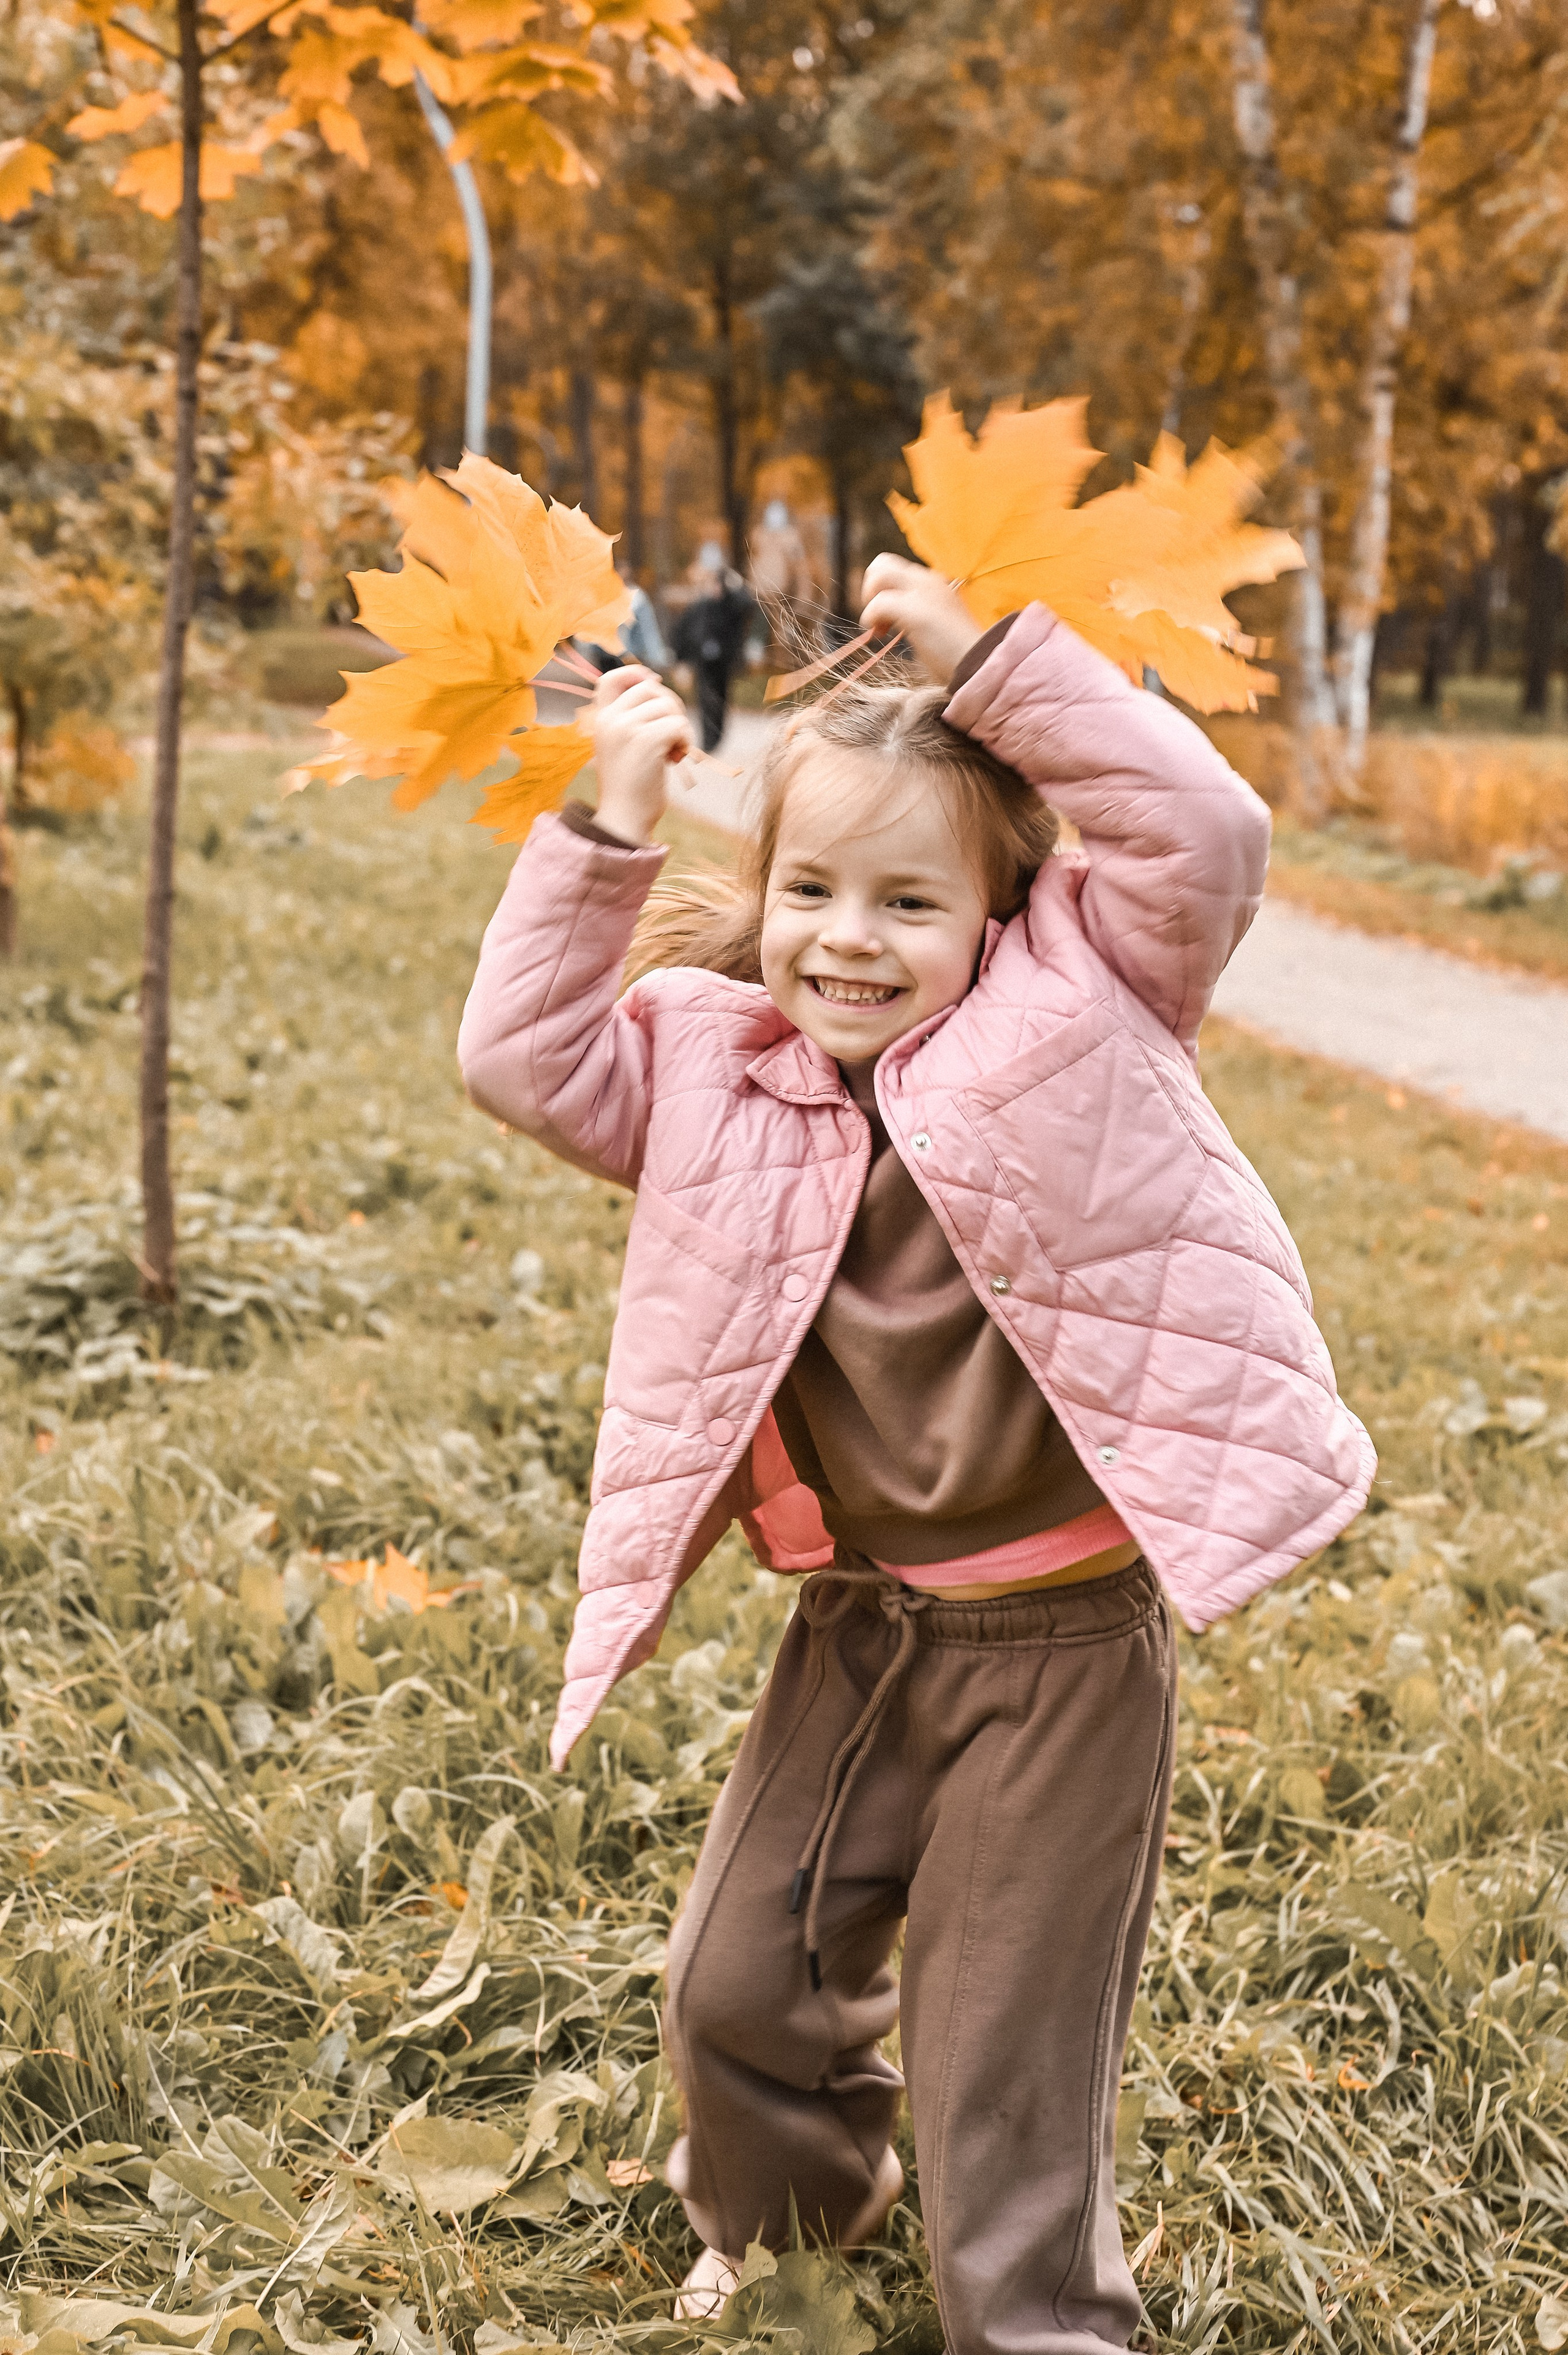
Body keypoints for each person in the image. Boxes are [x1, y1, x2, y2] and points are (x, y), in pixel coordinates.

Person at [457, 555, 1374, 2355]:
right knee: (738, 1975)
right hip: (860, 1629)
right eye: (808, 890)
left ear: (1001, 910)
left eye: (905, 899)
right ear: (761, 895)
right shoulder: (719, 1075)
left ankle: (1037, 2327)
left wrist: (1007, 667)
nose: (846, 939)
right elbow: (518, 1053)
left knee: (999, 2049)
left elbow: (1201, 829)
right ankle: (796, 2208)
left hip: (1060, 1645)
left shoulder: (1084, 1008)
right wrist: (600, 820)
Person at [671, 549, 760, 751]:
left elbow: (749, 605)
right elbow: (683, 633)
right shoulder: (699, 607)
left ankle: (717, 736)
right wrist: (681, 659)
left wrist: (736, 582)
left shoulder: (731, 606)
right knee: (705, 700)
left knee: (721, 700)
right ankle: (708, 741)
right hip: (703, 662)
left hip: (724, 662)